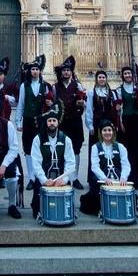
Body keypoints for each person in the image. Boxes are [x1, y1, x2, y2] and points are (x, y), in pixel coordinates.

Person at [16, 55, 55, 191]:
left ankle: (40, 176)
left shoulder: (45, 86)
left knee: (40, 147)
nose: (34, 71)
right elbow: (20, 103)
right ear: (29, 71)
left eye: (37, 69)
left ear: (40, 71)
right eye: (32, 69)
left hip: (41, 121)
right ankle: (31, 177)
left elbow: (51, 104)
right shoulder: (23, 86)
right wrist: (18, 121)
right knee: (27, 149)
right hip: (27, 120)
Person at [29, 105, 75, 219]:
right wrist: (44, 180)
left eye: (54, 120)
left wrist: (64, 180)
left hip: (61, 179)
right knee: (38, 211)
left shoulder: (66, 139)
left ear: (58, 123)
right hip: (44, 178)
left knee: (66, 210)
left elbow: (70, 162)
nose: (52, 123)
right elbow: (35, 162)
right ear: (46, 123)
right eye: (49, 121)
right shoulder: (37, 139)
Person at [79, 119, 130, 216]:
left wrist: (123, 177)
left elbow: (126, 164)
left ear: (113, 132)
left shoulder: (120, 147)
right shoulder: (95, 147)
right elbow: (94, 167)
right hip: (102, 181)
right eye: (105, 130)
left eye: (109, 130)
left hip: (118, 180)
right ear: (101, 133)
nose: (107, 133)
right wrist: (104, 179)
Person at [53, 56, 87, 189]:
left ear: (71, 72)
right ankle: (64, 177)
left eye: (68, 70)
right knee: (62, 149)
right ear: (61, 73)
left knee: (76, 150)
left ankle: (75, 177)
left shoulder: (77, 85)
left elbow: (84, 101)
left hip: (75, 121)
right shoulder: (55, 87)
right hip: (62, 122)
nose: (66, 72)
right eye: (64, 70)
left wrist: (81, 103)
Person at [115, 65, 138, 189]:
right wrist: (120, 121)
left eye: (129, 73)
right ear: (122, 76)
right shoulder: (119, 90)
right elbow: (118, 109)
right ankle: (129, 177)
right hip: (126, 123)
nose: (128, 75)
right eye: (125, 74)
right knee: (128, 150)